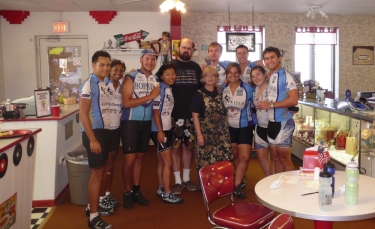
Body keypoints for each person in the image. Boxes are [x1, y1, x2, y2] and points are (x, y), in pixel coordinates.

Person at [156, 38, 203, 194]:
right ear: (178, 49)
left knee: (188, 148)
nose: (186, 51)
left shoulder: (196, 68)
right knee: (175, 149)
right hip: (173, 116)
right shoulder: (170, 66)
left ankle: (187, 179)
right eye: (184, 47)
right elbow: (156, 81)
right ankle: (177, 181)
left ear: (192, 50)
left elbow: (202, 89)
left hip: (191, 116)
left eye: (189, 48)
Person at [120, 49, 160, 209]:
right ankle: (127, 191)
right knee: (129, 160)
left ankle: (136, 190)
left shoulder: (155, 79)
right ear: (141, 60)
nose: (150, 62)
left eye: (153, 59)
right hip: (130, 122)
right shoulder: (131, 77)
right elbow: (126, 103)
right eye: (147, 59)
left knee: (140, 159)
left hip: (146, 123)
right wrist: (150, 95)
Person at [79, 50, 113, 229]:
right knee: (97, 175)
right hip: (94, 133)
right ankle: (93, 217)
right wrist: (92, 139)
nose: (106, 68)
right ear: (93, 65)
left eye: (108, 64)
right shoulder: (89, 84)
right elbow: (83, 113)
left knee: (100, 172)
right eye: (102, 65)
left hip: (104, 132)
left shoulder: (104, 83)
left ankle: (89, 207)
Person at [256, 46, 298, 173]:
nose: (269, 61)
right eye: (266, 59)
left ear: (279, 58)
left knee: (284, 160)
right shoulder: (270, 75)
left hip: (284, 122)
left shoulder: (286, 76)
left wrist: (271, 105)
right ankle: (279, 187)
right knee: (275, 158)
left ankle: (290, 190)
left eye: (272, 57)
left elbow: (294, 99)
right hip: (271, 123)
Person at [222, 62, 256, 199]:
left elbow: (256, 103)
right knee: (235, 156)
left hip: (245, 126)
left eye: (236, 72)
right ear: (227, 74)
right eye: (230, 72)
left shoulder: (248, 88)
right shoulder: (223, 88)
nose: (233, 75)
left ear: (240, 74)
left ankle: (235, 186)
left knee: (245, 157)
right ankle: (239, 179)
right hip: (229, 126)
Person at [151, 62, 183, 204]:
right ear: (161, 76)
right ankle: (167, 193)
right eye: (168, 74)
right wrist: (159, 131)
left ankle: (161, 187)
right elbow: (155, 112)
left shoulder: (169, 88)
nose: (171, 76)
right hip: (159, 129)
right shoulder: (160, 89)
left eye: (173, 74)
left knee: (162, 161)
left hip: (167, 127)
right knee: (168, 162)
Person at [190, 66, 232, 171]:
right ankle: (206, 186)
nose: (210, 78)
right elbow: (195, 116)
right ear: (203, 78)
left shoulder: (220, 92)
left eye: (213, 76)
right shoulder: (198, 94)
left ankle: (222, 186)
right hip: (205, 134)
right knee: (206, 161)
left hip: (222, 134)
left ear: (217, 78)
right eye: (207, 76)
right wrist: (199, 136)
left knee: (222, 160)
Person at [250, 66, 273, 177]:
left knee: (276, 158)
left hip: (274, 126)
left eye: (258, 74)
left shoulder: (272, 88)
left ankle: (278, 180)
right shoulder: (255, 90)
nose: (256, 78)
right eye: (253, 76)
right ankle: (269, 179)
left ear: (265, 74)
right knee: (262, 158)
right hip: (260, 127)